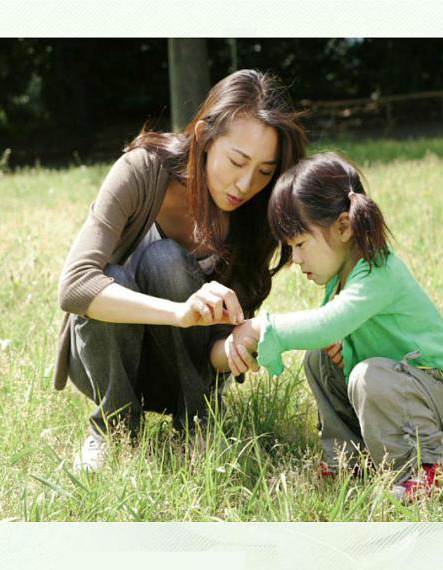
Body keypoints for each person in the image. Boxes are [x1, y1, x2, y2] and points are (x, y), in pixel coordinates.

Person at [54, 69, 307, 471]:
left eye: (264, 172)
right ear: (205, 136)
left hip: (190, 373)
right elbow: (75, 287)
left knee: (166, 262)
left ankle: (196, 424)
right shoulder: (142, 171)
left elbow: (220, 352)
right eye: (237, 161)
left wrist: (243, 345)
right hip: (110, 364)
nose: (245, 185)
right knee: (124, 274)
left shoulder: (258, 216)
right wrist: (179, 313)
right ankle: (113, 430)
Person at [230, 151, 443, 498]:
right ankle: (349, 459)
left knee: (369, 376)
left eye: (301, 244)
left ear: (344, 227)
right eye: (290, 247)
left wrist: (262, 328)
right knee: (319, 359)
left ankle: (429, 467)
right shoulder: (339, 279)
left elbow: (326, 325)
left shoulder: (379, 272)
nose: (297, 259)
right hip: (400, 388)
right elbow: (329, 335)